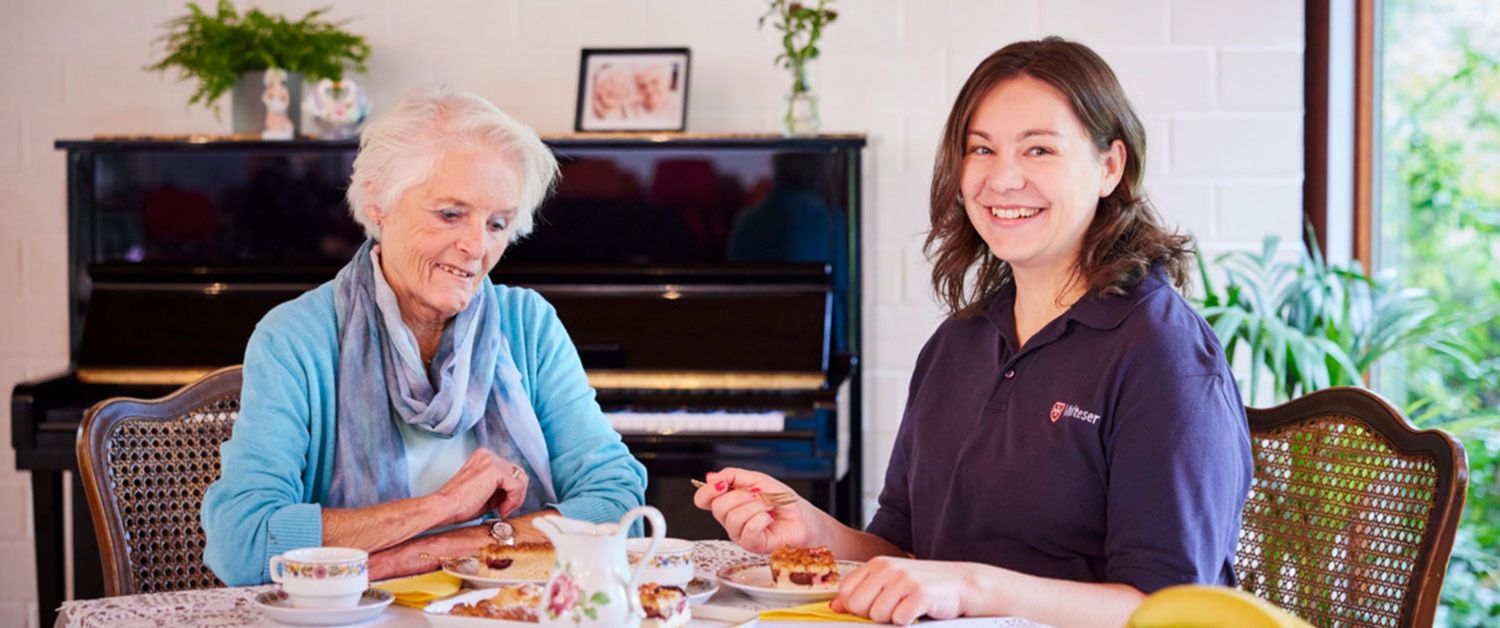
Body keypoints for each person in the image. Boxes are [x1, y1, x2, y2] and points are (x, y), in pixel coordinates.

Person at [695, 37, 1252, 626]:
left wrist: (969, 586)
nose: (1002, 179)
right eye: (981, 149)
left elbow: (1170, 611)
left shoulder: (1163, 355)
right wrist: (814, 530)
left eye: (1038, 150)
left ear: (1109, 167)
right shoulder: (955, 345)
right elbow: (909, 554)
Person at [202, 86, 648, 585]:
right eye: (450, 214)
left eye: (497, 223)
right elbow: (239, 543)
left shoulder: (529, 326)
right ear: (378, 203)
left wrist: (446, 550)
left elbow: (616, 503)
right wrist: (441, 507)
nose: (477, 247)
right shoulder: (295, 338)